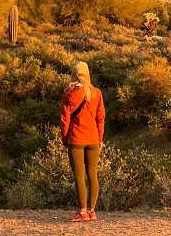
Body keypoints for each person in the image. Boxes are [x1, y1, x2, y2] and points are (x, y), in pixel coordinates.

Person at [60, 60, 105, 222]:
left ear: (73, 74)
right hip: (93, 138)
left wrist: (65, 139)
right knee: (92, 174)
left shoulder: (69, 94)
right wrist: (100, 138)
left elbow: (64, 121)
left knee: (79, 176)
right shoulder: (96, 93)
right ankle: (92, 211)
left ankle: (82, 212)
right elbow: (100, 118)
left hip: (76, 139)